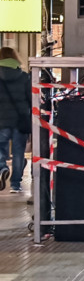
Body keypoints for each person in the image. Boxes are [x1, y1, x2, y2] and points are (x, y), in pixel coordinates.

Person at [0, 47, 31, 193]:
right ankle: (15, 185)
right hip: (20, 119)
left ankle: (2, 167)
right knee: (19, 152)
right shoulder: (24, 77)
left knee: (1, 148)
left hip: (1, 120)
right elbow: (31, 99)